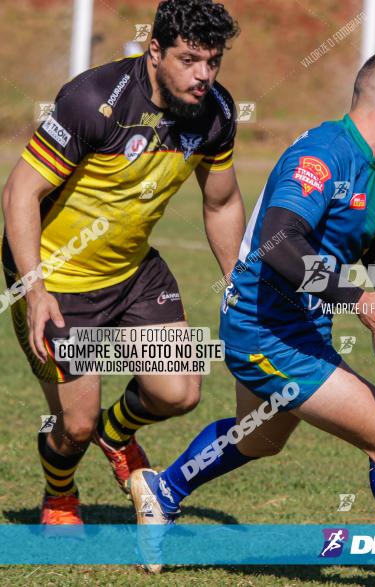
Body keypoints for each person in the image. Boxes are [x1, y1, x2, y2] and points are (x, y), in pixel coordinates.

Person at [130, 47, 375, 586]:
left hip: (295, 329)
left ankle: (162, 491)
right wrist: (359, 303)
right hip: (265, 330)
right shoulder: (324, 156)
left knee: (260, 436)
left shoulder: (374, 177)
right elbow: (277, 244)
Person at [0, 0, 244, 526]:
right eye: (189, 60)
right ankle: (60, 495)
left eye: (213, 61)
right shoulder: (94, 100)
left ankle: (119, 433)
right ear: (154, 50)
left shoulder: (216, 112)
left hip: (132, 272)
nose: (203, 75)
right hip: (57, 277)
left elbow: (221, 201)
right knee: (75, 424)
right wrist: (35, 289)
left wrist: (236, 280)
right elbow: (21, 191)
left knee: (179, 391)